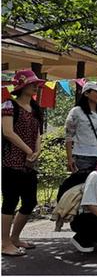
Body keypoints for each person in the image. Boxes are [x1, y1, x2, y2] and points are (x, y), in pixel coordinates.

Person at [1, 69, 45, 256]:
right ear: (22, 86)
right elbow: (7, 132)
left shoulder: (35, 108)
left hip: (29, 163)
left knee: (30, 201)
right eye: (32, 83)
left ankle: (15, 238)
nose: (36, 86)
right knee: (10, 201)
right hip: (11, 160)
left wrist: (37, 151)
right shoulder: (9, 105)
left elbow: (38, 133)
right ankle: (4, 243)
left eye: (36, 84)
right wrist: (28, 150)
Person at [65, 81, 97, 173]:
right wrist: (70, 158)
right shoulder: (76, 112)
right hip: (81, 155)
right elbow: (69, 136)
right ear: (86, 93)